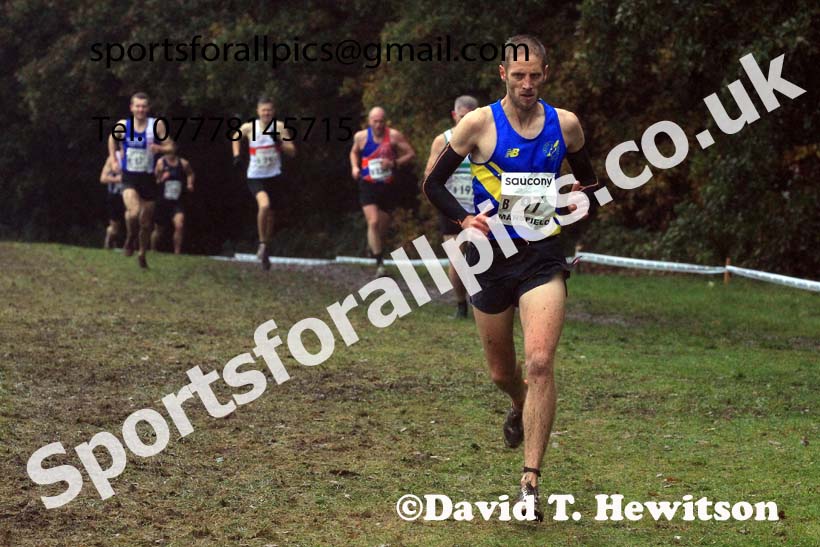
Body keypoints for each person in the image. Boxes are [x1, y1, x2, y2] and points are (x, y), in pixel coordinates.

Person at [422, 35, 600, 518]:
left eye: (535, 75)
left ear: (546, 74)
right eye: (518, 75)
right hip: (490, 261)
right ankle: (521, 403)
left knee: (540, 362)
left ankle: (530, 482)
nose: (527, 84)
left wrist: (573, 201)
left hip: (543, 257)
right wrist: (463, 220)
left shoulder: (566, 125)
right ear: (503, 74)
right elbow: (432, 183)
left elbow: (592, 186)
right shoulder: (478, 124)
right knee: (503, 372)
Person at [424, 95, 479, 318]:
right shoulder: (443, 139)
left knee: (485, 258)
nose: (466, 121)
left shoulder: (485, 137)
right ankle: (460, 305)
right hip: (452, 207)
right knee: (456, 259)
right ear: (454, 116)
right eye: (462, 117)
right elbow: (429, 174)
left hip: (480, 208)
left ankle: (484, 303)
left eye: (471, 117)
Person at [107, 92, 174, 268]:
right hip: (129, 177)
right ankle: (130, 238)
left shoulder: (156, 126)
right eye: (137, 106)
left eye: (144, 106)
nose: (140, 109)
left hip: (148, 179)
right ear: (131, 108)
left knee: (146, 223)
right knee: (134, 212)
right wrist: (114, 160)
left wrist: (160, 147)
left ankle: (142, 253)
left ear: (148, 108)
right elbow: (111, 140)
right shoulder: (123, 125)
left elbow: (172, 146)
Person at [349, 107, 416, 277]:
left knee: (382, 227)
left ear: (385, 121)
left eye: (381, 121)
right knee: (373, 221)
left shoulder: (394, 136)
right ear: (369, 121)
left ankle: (373, 246)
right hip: (367, 184)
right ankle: (380, 264)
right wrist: (355, 167)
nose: (378, 125)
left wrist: (394, 163)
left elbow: (410, 153)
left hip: (387, 186)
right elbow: (354, 152)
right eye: (375, 121)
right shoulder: (361, 136)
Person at [232, 97, 296, 270]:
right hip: (255, 175)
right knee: (264, 206)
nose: (266, 113)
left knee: (272, 216)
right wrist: (237, 155)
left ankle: (266, 247)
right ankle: (261, 242)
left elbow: (292, 151)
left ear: (273, 111)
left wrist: (280, 144)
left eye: (269, 110)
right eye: (263, 110)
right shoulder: (249, 127)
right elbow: (235, 136)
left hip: (274, 176)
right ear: (258, 111)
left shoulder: (280, 127)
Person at [152, 143, 194, 254]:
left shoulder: (183, 163)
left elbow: (190, 173)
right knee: (159, 229)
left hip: (177, 201)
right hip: (163, 200)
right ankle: (153, 249)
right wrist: (161, 177)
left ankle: (177, 252)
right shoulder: (161, 163)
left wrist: (190, 184)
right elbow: (155, 179)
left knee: (179, 225)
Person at [99, 152, 124, 249]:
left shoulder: (136, 155)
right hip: (115, 196)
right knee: (115, 228)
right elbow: (103, 178)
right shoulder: (113, 159)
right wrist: (117, 179)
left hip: (129, 196)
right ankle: (109, 241)